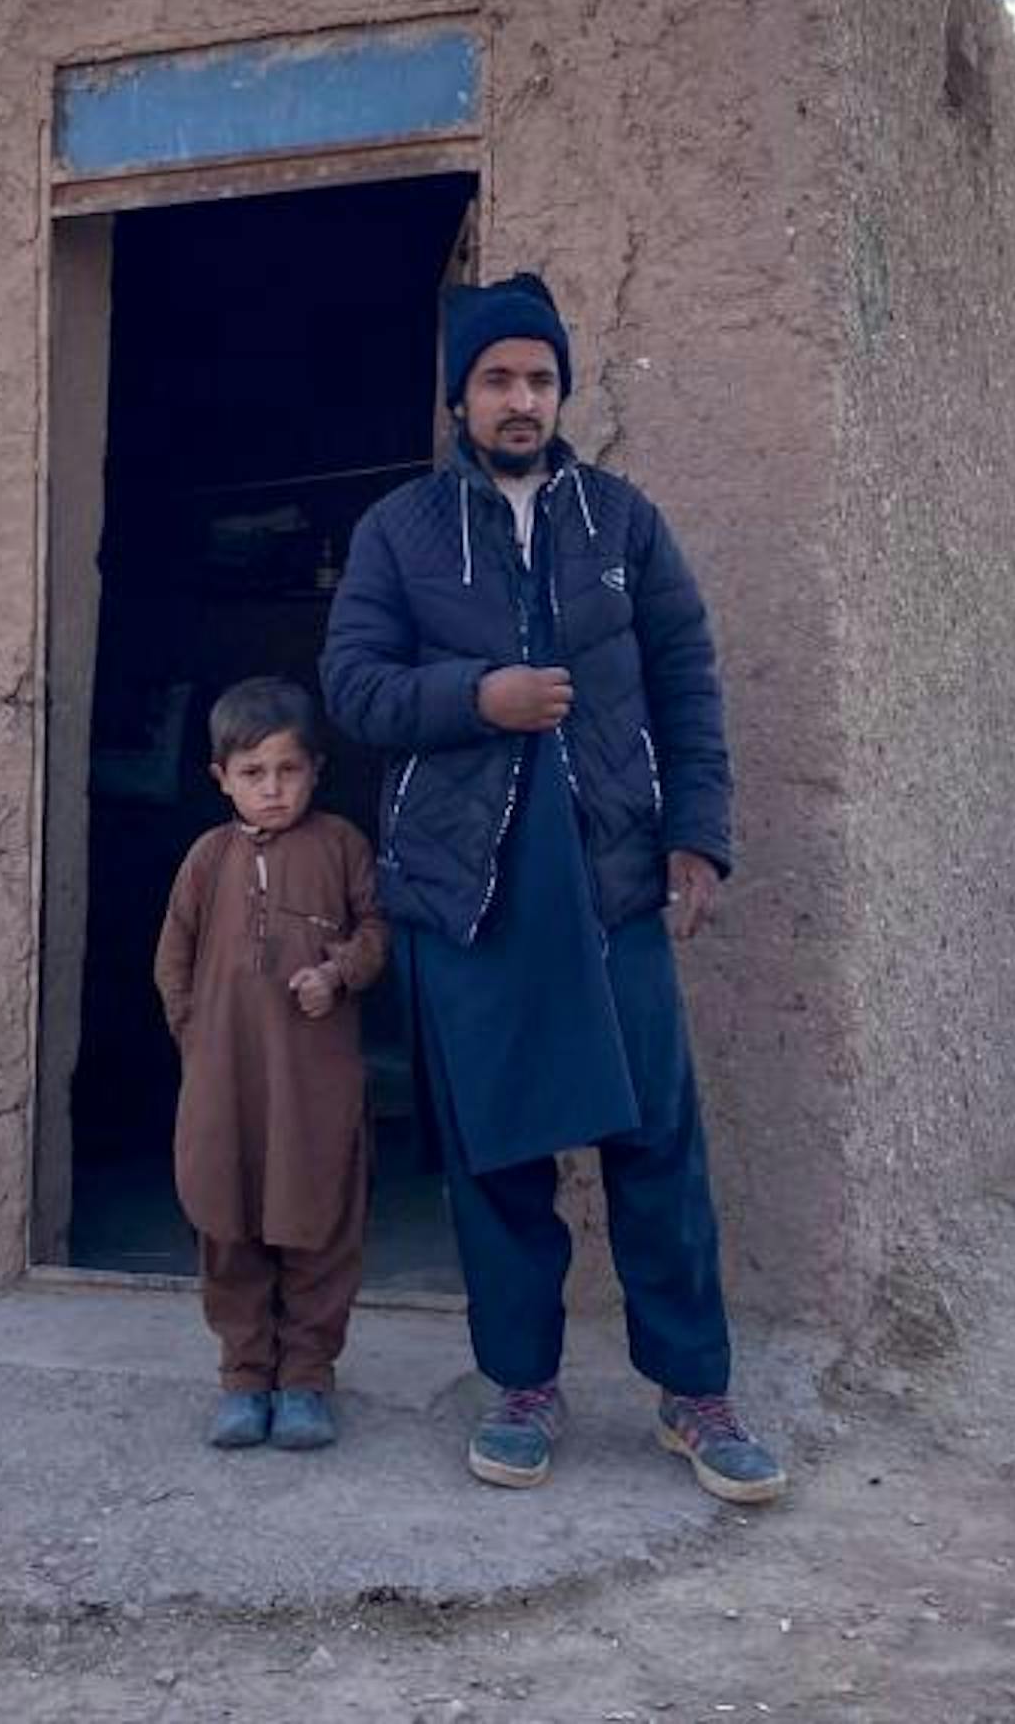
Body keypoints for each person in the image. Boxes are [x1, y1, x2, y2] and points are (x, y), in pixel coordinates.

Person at [320, 271, 784, 1504]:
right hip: (469, 897)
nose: (521, 399)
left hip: (612, 879)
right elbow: (353, 687)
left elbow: (687, 681)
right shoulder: (400, 532)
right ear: (461, 396)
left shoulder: (623, 522)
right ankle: (521, 1386)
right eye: (497, 379)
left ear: (562, 390)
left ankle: (696, 1395)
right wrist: (479, 698)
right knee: (498, 1158)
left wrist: (700, 835)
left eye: (539, 378)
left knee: (656, 1143)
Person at [152, 675, 386, 1452]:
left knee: (314, 1216)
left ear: (316, 768)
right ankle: (245, 1377)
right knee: (227, 1216)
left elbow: (380, 929)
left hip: (313, 1078)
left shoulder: (342, 845)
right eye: (252, 773)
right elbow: (173, 958)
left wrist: (338, 972)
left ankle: (308, 1379)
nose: (273, 789)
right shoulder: (206, 857)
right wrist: (197, 1036)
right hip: (224, 1079)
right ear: (221, 778)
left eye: (288, 770)